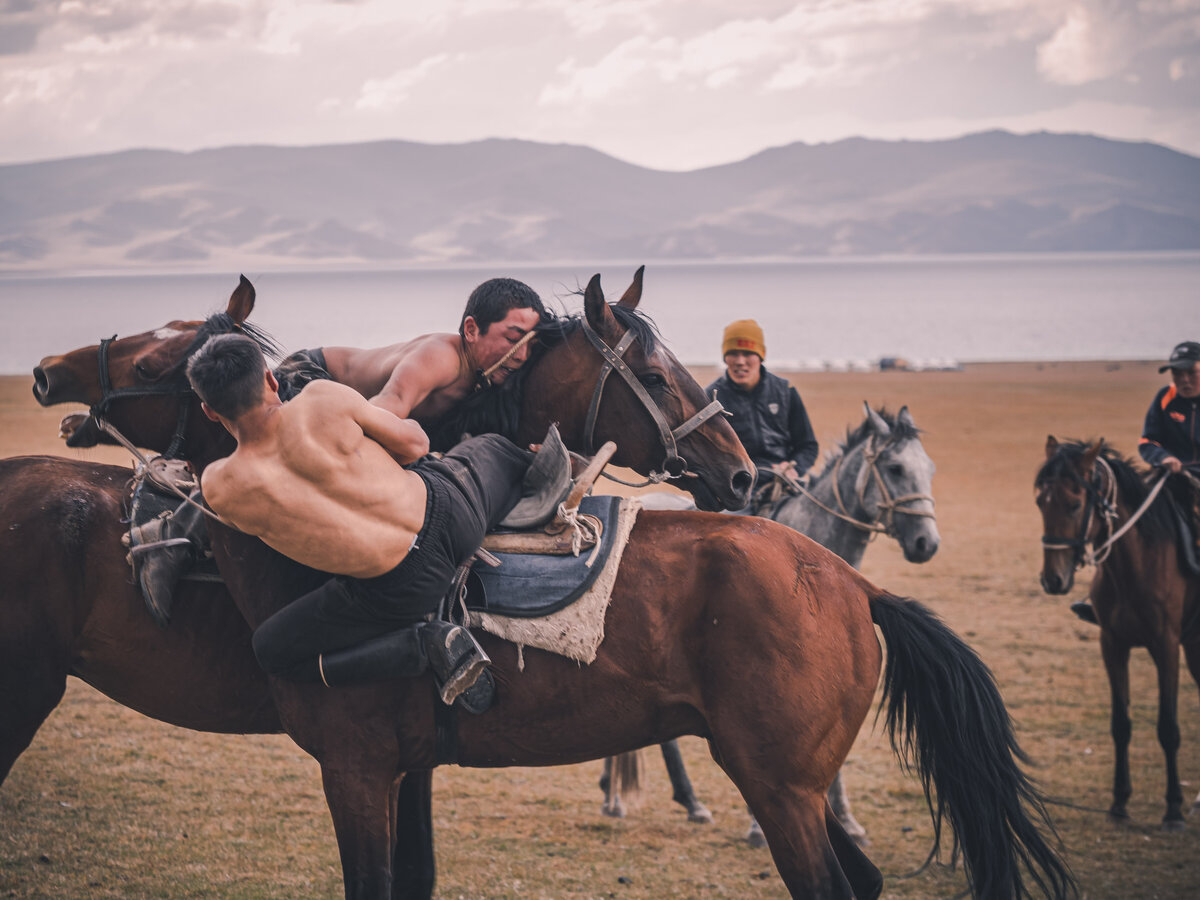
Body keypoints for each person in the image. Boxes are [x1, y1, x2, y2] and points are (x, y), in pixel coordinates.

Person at [139, 277, 553, 624]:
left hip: (346, 402)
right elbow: (385, 411)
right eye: (513, 339)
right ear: (471, 330)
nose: (523, 353)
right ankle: (176, 534)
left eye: (531, 343)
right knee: (274, 455)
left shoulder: (485, 375)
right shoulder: (439, 360)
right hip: (314, 375)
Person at [185, 333, 536, 710]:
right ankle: (535, 466)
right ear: (271, 380)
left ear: (208, 410)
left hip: (403, 590)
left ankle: (421, 645)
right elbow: (415, 445)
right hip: (453, 514)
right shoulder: (322, 397)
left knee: (271, 650)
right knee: (485, 448)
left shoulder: (220, 487)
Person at [1071, 340, 1200, 625]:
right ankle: (1103, 598)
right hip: (1167, 474)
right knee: (1122, 513)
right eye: (1178, 374)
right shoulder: (1165, 398)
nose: (1184, 380)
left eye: (1191, 372)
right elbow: (1148, 440)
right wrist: (1164, 457)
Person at [705, 319, 818, 515]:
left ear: (760, 356)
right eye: (733, 353)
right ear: (725, 358)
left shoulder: (785, 391)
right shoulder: (711, 399)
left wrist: (794, 468)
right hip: (737, 491)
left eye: (748, 353)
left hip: (785, 483)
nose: (740, 361)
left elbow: (807, 445)